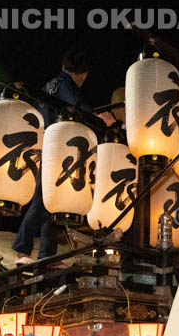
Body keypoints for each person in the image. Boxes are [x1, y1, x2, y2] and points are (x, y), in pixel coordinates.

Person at [12, 50, 114, 265]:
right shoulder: (65, 84)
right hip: (56, 148)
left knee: (54, 203)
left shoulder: (49, 85)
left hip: (48, 144)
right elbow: (77, 105)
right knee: (42, 200)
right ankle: (21, 250)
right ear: (83, 75)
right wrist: (96, 117)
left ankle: (46, 256)